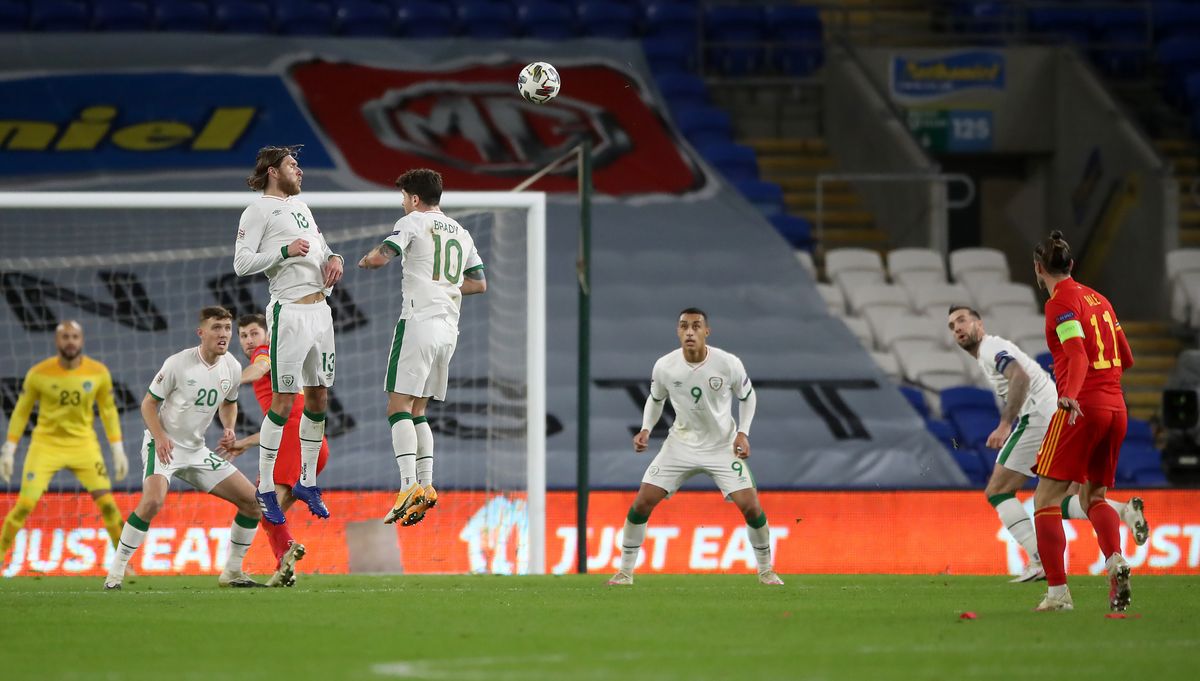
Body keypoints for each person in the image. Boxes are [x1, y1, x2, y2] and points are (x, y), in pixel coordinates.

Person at [947, 306, 1148, 585]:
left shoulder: (991, 347)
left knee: (998, 491)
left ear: (979, 324)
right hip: (1060, 417)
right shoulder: (992, 350)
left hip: (1040, 418)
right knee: (1060, 500)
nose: (957, 328)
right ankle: (1124, 511)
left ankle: (1039, 560)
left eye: (962, 320)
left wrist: (1005, 424)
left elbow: (1020, 377)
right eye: (952, 325)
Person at [608, 308, 783, 586]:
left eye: (696, 326)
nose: (690, 331)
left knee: (750, 506)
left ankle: (766, 571)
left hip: (722, 446)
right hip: (680, 445)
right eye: (684, 326)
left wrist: (743, 433)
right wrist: (645, 429)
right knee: (642, 502)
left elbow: (747, 397)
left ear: (706, 331)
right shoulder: (665, 366)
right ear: (678, 331)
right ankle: (625, 573)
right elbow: (655, 399)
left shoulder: (728, 363)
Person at [358, 168, 486, 526]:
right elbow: (479, 283)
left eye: (403, 197)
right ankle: (427, 486)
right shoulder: (462, 232)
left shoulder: (414, 221)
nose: (403, 204)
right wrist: (445, 286)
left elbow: (382, 256)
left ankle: (406, 486)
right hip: (449, 330)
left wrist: (367, 260)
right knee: (418, 411)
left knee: (396, 406)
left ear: (414, 199)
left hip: (418, 323)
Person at [104, 307, 264, 590]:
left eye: (227, 328)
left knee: (253, 502)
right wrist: (160, 436)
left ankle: (233, 571)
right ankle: (115, 572)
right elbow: (148, 404)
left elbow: (229, 402)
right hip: (163, 445)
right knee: (153, 501)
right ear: (201, 333)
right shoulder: (178, 363)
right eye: (216, 328)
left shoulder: (233, 367)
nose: (224, 334)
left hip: (196, 450)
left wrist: (229, 427)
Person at [234, 145, 344, 524]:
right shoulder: (258, 210)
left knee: (317, 395)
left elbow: (320, 245)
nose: (300, 170)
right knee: (283, 399)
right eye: (293, 165)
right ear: (273, 172)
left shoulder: (302, 207)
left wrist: (335, 258)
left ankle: (307, 480)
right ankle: (266, 485)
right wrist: (283, 249)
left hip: (320, 312)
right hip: (290, 311)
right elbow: (242, 262)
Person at [1029, 231, 1135, 612]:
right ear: (1071, 265)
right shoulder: (1100, 300)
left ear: (1039, 269)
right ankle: (1115, 560)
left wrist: (1071, 393)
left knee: (1045, 499)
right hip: (1116, 408)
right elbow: (1125, 355)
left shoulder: (1061, 304)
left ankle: (1058, 594)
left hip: (1083, 407)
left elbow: (1076, 355)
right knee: (1094, 496)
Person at [1, 321, 127, 569]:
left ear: (82, 340)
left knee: (109, 505)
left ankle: (125, 564)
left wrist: (117, 448)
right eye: (65, 337)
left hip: (84, 445)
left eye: (75, 337)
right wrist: (9, 448)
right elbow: (21, 412)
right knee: (24, 505)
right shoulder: (39, 373)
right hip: (45, 445)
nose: (70, 341)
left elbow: (109, 412)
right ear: (57, 341)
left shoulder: (98, 372)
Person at [220, 313, 330, 587]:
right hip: (312, 444)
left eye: (254, 333)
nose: (248, 340)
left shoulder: (266, 352)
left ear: (267, 335)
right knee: (269, 512)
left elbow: (258, 368)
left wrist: (228, 381)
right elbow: (283, 421)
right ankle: (283, 564)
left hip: (293, 442)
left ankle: (283, 553)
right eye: (243, 335)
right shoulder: (285, 361)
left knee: (263, 505)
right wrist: (244, 443)